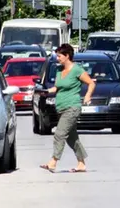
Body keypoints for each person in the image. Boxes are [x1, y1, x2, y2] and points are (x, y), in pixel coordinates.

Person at [40, 44, 95, 173]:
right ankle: (81, 163)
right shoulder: (59, 70)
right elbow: (57, 87)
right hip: (61, 107)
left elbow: (91, 83)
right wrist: (46, 91)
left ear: (67, 56)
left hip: (72, 107)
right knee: (72, 137)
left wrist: (87, 96)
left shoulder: (77, 70)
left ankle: (53, 162)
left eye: (59, 56)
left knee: (59, 134)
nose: (57, 58)